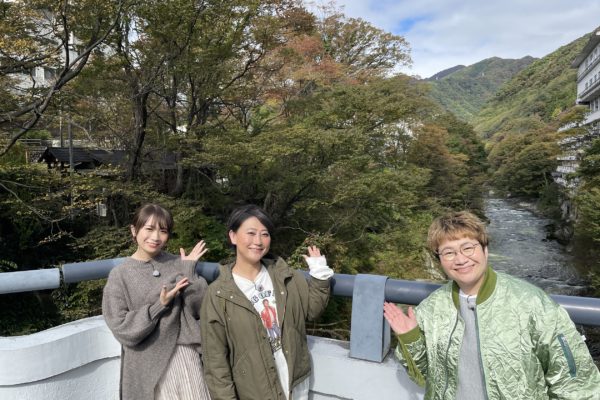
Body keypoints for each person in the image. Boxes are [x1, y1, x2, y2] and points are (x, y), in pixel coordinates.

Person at [383, 210, 600, 400]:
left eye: (468, 248)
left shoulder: (531, 303)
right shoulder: (431, 309)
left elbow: (576, 382)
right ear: (439, 260)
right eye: (449, 252)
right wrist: (411, 338)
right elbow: (423, 378)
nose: (460, 259)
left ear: (485, 250)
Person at [200, 204, 333, 400]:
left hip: (294, 384)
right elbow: (215, 361)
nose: (259, 241)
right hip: (254, 391)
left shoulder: (286, 276)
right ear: (233, 236)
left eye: (265, 234)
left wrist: (320, 274)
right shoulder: (218, 294)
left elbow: (311, 311)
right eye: (251, 233)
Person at [102, 204, 212, 400]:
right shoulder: (120, 275)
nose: (155, 237)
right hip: (146, 361)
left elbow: (199, 307)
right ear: (134, 230)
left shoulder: (179, 263)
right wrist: (158, 306)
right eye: (149, 229)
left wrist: (188, 270)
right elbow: (120, 326)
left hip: (184, 354)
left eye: (163, 230)